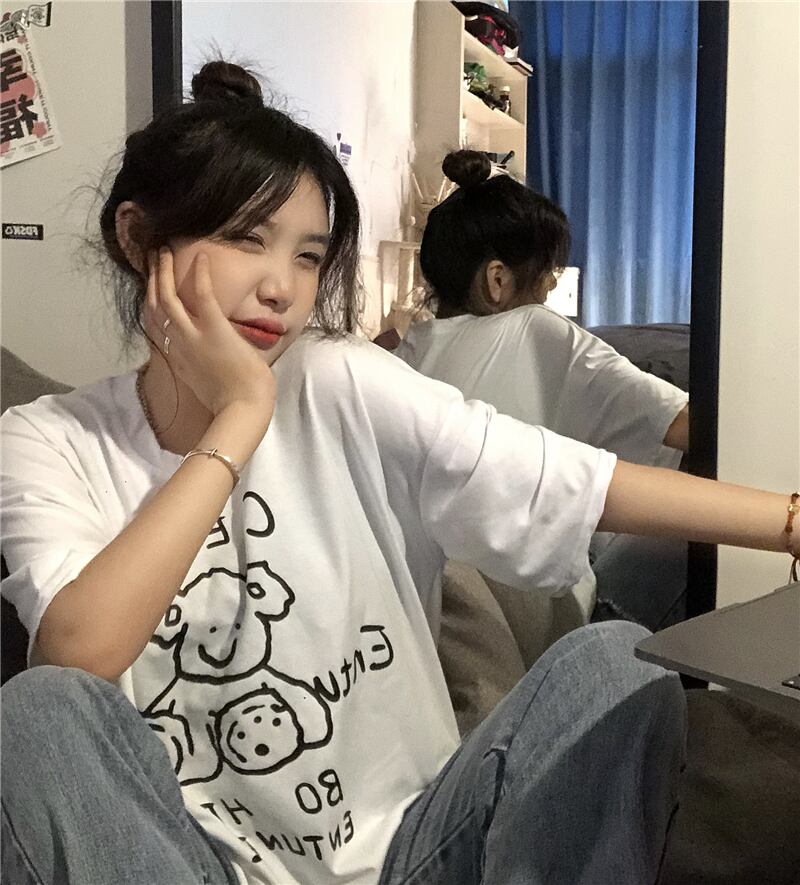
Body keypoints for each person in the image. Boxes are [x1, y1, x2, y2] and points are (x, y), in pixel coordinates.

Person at [1, 62, 797, 885]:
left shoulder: (341, 380)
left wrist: (791, 520)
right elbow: (78, 652)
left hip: (414, 858)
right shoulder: (48, 438)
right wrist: (239, 418)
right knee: (38, 711)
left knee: (618, 661)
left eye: (308, 256)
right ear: (139, 240)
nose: (281, 287)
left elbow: (569, 480)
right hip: (194, 868)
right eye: (245, 238)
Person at [394, 150, 690, 661]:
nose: (553, 284)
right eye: (547, 271)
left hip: (430, 615)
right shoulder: (537, 331)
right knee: (687, 539)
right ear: (498, 281)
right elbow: (692, 427)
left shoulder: (407, 350)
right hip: (542, 626)